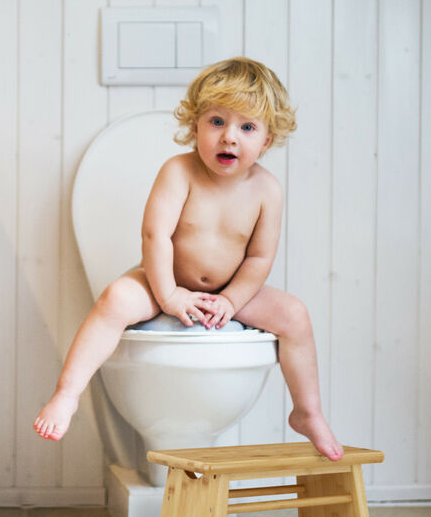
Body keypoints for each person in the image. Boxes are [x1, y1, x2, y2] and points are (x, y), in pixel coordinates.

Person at [33, 57, 343, 461]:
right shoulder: (179, 171)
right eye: (216, 121)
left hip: (231, 290)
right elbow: (155, 236)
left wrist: (231, 301)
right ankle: (66, 394)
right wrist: (168, 296)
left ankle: (308, 411)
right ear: (195, 124)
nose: (229, 137)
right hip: (162, 279)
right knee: (114, 301)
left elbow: (259, 258)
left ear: (266, 140)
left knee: (295, 315)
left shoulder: (268, 190)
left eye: (246, 127)